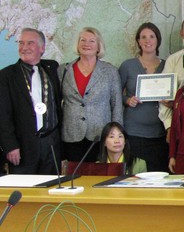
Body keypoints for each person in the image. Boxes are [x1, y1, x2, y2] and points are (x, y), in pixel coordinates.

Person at [0, 28, 61, 174]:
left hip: (51, 142)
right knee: (24, 191)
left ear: (42, 48)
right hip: (23, 145)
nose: (24, 47)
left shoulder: (52, 68)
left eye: (30, 43)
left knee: (50, 188)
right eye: (21, 43)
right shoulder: (6, 76)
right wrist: (10, 146)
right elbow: (2, 114)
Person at [60, 27, 123, 162]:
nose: (86, 44)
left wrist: (117, 135)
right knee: (75, 176)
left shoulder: (110, 71)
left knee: (100, 176)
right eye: (82, 40)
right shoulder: (64, 70)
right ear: (77, 44)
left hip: (101, 135)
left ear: (98, 46)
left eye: (91, 41)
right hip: (72, 134)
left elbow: (117, 104)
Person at [119, 22, 168, 172]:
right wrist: (127, 100)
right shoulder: (128, 65)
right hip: (134, 132)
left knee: (158, 175)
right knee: (135, 176)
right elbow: (115, 94)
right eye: (143, 37)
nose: (148, 40)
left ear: (158, 40)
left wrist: (169, 101)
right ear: (138, 41)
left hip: (160, 133)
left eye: (152, 36)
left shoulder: (167, 65)